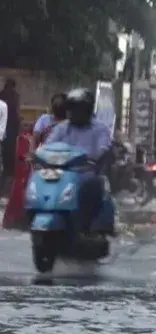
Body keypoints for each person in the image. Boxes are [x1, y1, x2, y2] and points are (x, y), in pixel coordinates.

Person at [44, 88, 112, 232]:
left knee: (93, 185)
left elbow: (103, 147)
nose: (71, 113)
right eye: (70, 110)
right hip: (62, 174)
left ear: (86, 110)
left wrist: (95, 156)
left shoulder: (99, 129)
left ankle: (86, 226)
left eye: (76, 110)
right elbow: (48, 145)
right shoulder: (62, 128)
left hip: (86, 174)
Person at [0, 79, 18, 192]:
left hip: (9, 128)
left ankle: (8, 171)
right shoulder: (9, 97)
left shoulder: (12, 97)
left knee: (8, 153)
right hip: (7, 129)